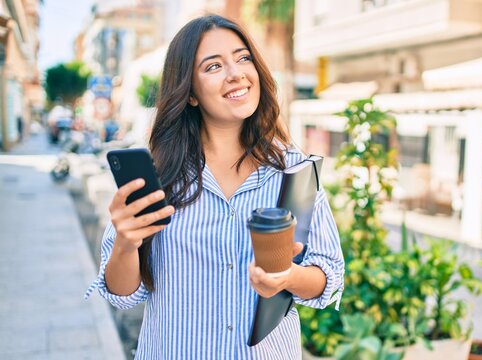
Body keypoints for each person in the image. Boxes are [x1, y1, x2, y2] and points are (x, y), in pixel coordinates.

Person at [85, 15, 344, 359]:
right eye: (213, 66)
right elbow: (122, 294)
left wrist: (287, 277)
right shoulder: (159, 173)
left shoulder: (292, 169)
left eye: (243, 58)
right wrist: (125, 242)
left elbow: (329, 276)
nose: (236, 73)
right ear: (190, 93)